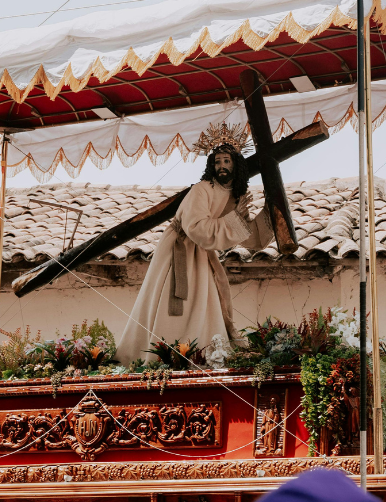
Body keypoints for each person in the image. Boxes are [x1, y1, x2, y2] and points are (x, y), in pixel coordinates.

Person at [117, 123, 274, 365]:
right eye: (218, 162)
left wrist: (269, 215)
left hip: (201, 252)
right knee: (180, 300)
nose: (221, 166)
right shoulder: (203, 189)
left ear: (236, 164)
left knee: (205, 300)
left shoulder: (235, 194)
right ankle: (167, 355)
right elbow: (196, 227)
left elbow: (243, 235)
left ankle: (204, 352)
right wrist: (234, 221)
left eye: (226, 161)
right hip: (180, 249)